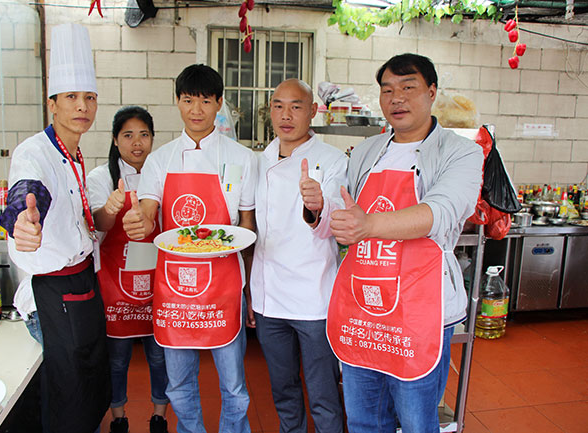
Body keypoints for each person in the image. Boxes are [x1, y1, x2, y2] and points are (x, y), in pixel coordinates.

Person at [326, 53, 484, 433]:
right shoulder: (366, 151)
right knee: (364, 419)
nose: (396, 98)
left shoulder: (461, 151)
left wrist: (369, 224)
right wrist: (319, 210)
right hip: (365, 306)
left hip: (421, 309)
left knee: (416, 421)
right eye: (387, 90)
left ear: (431, 92)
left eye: (408, 87)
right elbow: (345, 214)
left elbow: (441, 211)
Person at [123, 64, 257, 433]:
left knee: (234, 386)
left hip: (225, 285)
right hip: (175, 287)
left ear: (219, 103)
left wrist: (250, 288)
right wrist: (139, 221)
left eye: (205, 101)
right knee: (179, 384)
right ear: (177, 102)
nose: (196, 110)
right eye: (187, 100)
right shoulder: (160, 159)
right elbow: (149, 212)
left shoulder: (242, 158)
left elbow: (246, 226)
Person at [0, 23, 111, 433]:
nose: (82, 106)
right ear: (53, 105)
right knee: (67, 395)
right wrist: (22, 221)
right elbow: (29, 192)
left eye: (89, 98)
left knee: (89, 385)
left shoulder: (75, 154)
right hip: (52, 294)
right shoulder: (34, 152)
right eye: (71, 97)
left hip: (83, 284)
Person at [249, 78, 346, 433]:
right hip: (269, 297)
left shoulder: (332, 160)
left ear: (313, 111)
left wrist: (317, 206)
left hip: (313, 298)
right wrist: (250, 293)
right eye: (278, 106)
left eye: (296, 106)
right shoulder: (258, 161)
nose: (286, 115)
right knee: (283, 389)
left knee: (323, 392)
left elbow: (334, 220)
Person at [87, 106, 170, 433]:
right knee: (117, 359)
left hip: (157, 281)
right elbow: (98, 224)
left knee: (159, 357)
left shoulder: (162, 172)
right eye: (128, 135)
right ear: (114, 139)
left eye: (144, 135)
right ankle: (119, 417)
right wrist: (110, 208)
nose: (137, 143)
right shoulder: (100, 177)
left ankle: (160, 415)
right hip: (116, 282)